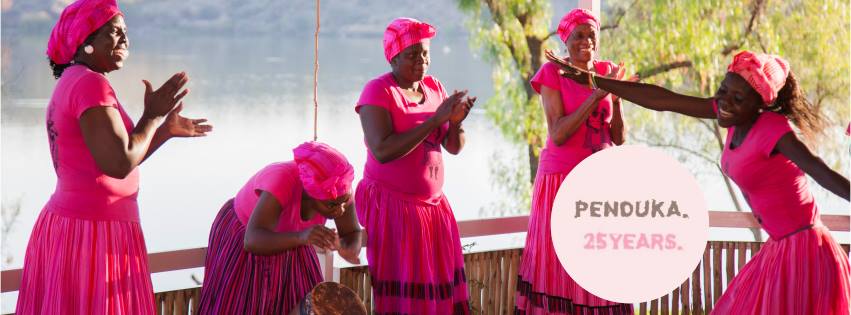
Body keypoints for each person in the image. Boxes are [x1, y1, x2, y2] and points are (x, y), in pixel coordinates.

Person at [552, 49, 851, 314]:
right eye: (723, 90)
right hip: (779, 248)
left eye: (738, 98)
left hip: (805, 253)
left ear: (758, 105)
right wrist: (596, 81)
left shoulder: (773, 129)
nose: (725, 102)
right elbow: (664, 100)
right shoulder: (731, 117)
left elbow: (819, 170)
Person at [16, 0, 211, 313]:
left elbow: (114, 158)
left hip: (75, 226)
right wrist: (152, 116)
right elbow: (118, 164)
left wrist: (163, 130)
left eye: (126, 32)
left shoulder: (75, 80)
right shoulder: (90, 85)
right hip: (93, 234)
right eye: (114, 32)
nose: (125, 39)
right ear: (86, 39)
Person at [354, 17, 476, 314]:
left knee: (439, 291)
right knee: (408, 295)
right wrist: (435, 120)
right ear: (393, 58)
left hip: (433, 208)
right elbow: (382, 151)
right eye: (412, 54)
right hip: (394, 206)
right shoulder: (378, 91)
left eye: (425, 53)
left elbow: (453, 147)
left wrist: (455, 123)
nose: (421, 60)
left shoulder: (434, 88)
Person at [514, 8, 632, 315]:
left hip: (601, 184)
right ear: (565, 41)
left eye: (592, 34)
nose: (586, 41)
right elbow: (558, 134)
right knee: (564, 259)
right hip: (562, 181)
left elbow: (619, 138)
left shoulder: (606, 70)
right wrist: (596, 96)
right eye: (578, 36)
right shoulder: (552, 73)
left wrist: (617, 98)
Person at [198, 142, 363, 314]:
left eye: (344, 202)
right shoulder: (282, 180)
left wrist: (347, 248)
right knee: (248, 303)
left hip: (296, 237)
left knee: (306, 302)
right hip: (252, 235)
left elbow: (352, 232)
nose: (340, 210)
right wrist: (302, 237)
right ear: (310, 193)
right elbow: (252, 241)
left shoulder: (338, 190)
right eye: (332, 205)